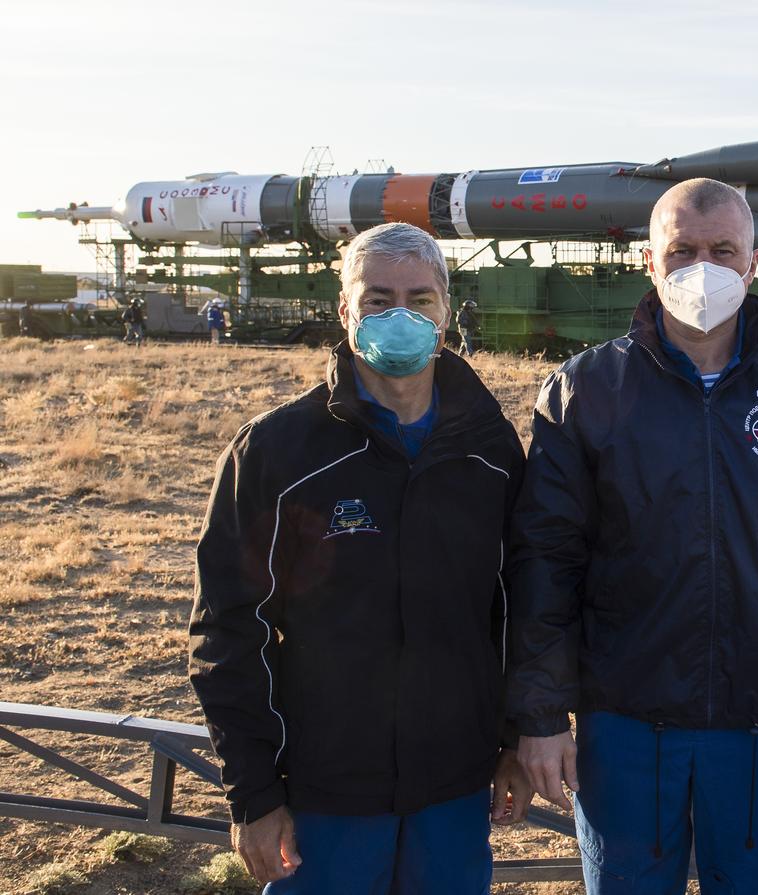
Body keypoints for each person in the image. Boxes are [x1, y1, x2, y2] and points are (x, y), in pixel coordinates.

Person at [508, 178, 758, 894]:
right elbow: (546, 563)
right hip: (624, 722)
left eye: (722, 249)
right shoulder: (586, 389)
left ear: (753, 262)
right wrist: (540, 711)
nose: (702, 267)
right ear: (650, 262)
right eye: (682, 250)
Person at [189, 222, 531, 892]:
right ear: (344, 310)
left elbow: (519, 606)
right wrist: (254, 793)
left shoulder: (492, 450)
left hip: (454, 792)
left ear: (445, 312)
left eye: (419, 298)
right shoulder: (276, 453)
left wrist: (516, 740)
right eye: (377, 300)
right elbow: (228, 630)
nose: (398, 315)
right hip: (324, 795)